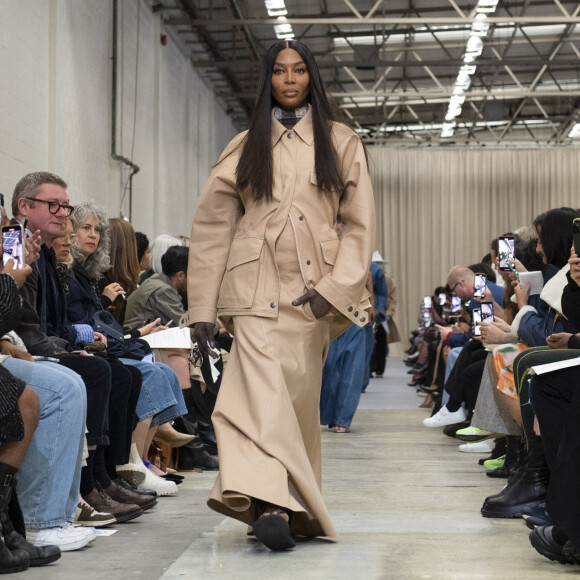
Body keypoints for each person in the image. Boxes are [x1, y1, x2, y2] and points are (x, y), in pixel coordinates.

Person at [181, 39, 375, 551]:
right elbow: (212, 229)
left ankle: (292, 508)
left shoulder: (341, 141)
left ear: (312, 77)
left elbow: (358, 226)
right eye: (279, 71)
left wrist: (334, 289)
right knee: (251, 399)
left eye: (299, 70)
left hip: (313, 294)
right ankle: (267, 503)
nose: (289, 79)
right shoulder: (245, 145)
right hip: (251, 290)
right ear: (267, 80)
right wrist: (201, 307)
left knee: (293, 405)